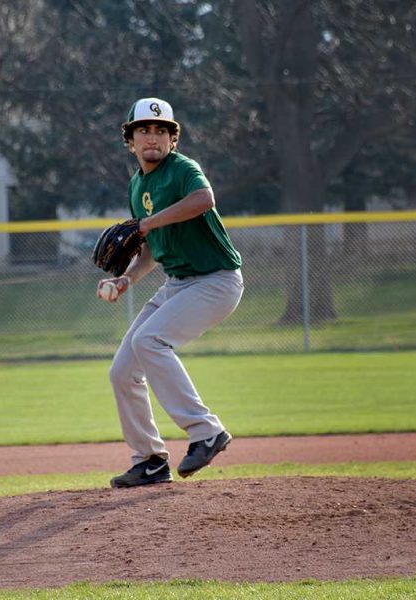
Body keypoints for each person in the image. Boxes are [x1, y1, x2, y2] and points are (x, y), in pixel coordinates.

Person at [97, 97, 244, 488]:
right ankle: (148, 459)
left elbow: (202, 200)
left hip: (216, 280)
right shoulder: (137, 185)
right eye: (143, 129)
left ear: (172, 140)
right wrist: (126, 278)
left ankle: (206, 431)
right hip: (177, 283)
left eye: (161, 130)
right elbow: (149, 247)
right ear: (130, 141)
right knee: (122, 371)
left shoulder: (182, 169)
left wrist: (146, 223)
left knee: (151, 340)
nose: (152, 136)